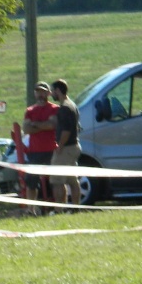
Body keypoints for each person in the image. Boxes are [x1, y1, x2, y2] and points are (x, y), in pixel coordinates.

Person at [21, 81, 59, 215]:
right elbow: (26, 128)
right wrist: (43, 125)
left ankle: (57, 209)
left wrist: (35, 125)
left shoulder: (54, 108)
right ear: (35, 93)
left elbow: (52, 125)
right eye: (38, 92)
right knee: (31, 182)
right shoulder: (30, 110)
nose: (40, 94)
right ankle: (31, 209)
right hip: (35, 152)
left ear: (48, 93)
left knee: (55, 181)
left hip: (51, 150)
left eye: (43, 91)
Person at [50, 78, 81, 206]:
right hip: (75, 146)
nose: (52, 94)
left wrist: (59, 146)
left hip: (66, 148)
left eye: (52, 91)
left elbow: (66, 131)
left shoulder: (64, 108)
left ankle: (59, 209)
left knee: (57, 180)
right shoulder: (72, 105)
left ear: (58, 90)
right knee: (73, 180)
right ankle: (75, 207)